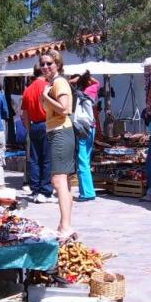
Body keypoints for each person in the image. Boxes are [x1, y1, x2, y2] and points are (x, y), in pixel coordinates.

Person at [40, 49, 76, 240]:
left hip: (61, 132)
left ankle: (66, 226)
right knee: (65, 182)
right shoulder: (53, 83)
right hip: (59, 133)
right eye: (43, 64)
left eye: (49, 63)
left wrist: (45, 97)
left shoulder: (59, 82)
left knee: (58, 181)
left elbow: (65, 109)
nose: (45, 67)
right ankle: (64, 224)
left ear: (58, 64)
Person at [22, 64, 54, 203]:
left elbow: (25, 113)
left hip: (34, 125)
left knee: (34, 160)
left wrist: (29, 129)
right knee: (47, 160)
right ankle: (45, 191)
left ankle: (35, 190)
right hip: (47, 124)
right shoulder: (47, 87)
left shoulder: (28, 89)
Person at [69, 70, 101, 202]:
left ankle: (87, 193)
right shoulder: (92, 91)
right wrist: (82, 77)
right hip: (92, 128)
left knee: (82, 161)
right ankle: (88, 190)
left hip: (81, 129)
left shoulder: (76, 94)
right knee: (86, 159)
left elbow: (64, 83)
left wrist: (72, 80)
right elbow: (97, 82)